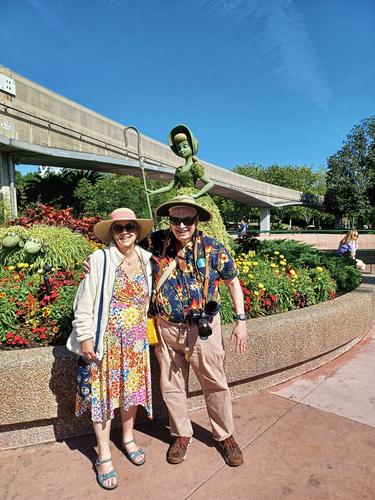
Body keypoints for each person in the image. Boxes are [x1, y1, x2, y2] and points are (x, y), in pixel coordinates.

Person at [144, 194, 248, 467]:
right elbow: (123, 248)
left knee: (215, 382)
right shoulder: (156, 242)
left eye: (187, 220)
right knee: (171, 386)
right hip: (166, 328)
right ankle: (180, 434)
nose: (181, 226)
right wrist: (94, 262)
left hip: (203, 330)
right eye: (176, 220)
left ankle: (225, 436)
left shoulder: (214, 249)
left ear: (196, 220)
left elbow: (233, 283)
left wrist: (241, 321)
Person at [67, 208, 154, 490]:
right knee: (102, 397)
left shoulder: (146, 260)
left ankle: (128, 438)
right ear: (112, 233)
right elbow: (83, 303)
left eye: (130, 226)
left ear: (138, 231)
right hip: (106, 343)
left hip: (136, 343)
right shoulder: (99, 260)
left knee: (132, 394)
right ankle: (103, 454)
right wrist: (85, 338)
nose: (125, 232)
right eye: (119, 228)